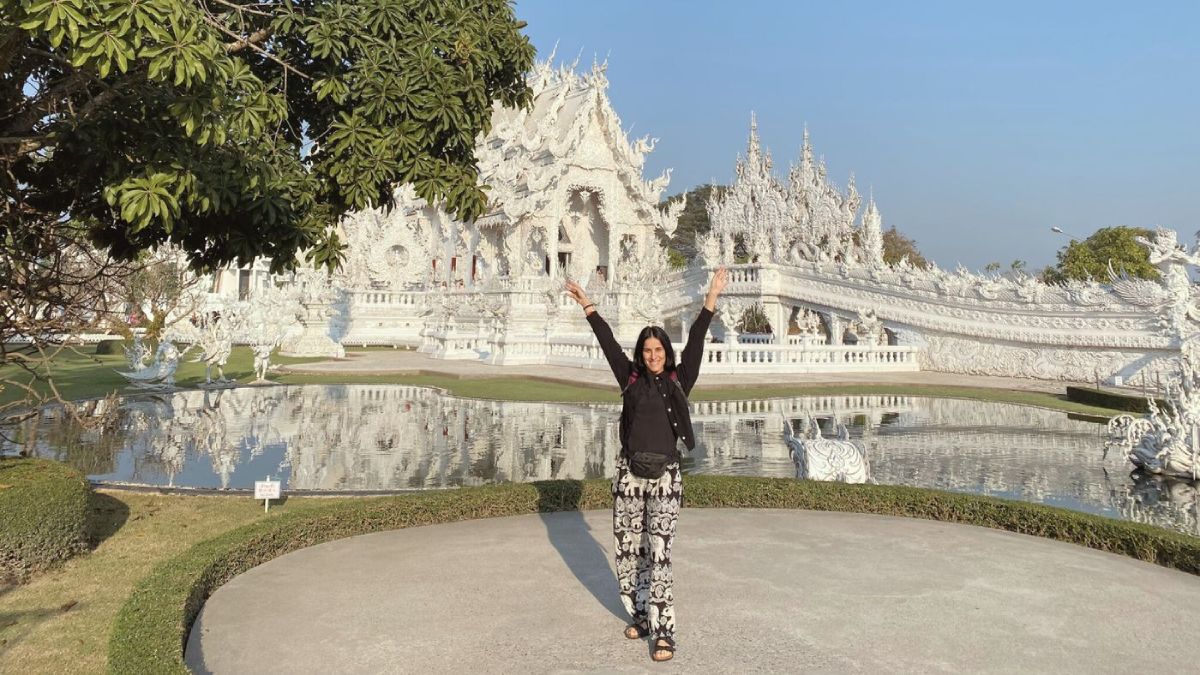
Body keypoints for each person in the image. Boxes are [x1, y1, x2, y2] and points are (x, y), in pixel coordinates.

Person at [564, 267, 728, 663]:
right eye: (647, 351)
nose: (653, 356)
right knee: (628, 551)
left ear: (665, 354)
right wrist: (588, 305)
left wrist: (711, 298)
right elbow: (606, 343)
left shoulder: (679, 379)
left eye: (659, 351)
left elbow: (697, 341)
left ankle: (665, 631)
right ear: (640, 355)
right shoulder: (630, 380)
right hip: (630, 475)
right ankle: (640, 614)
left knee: (660, 553)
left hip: (667, 478)